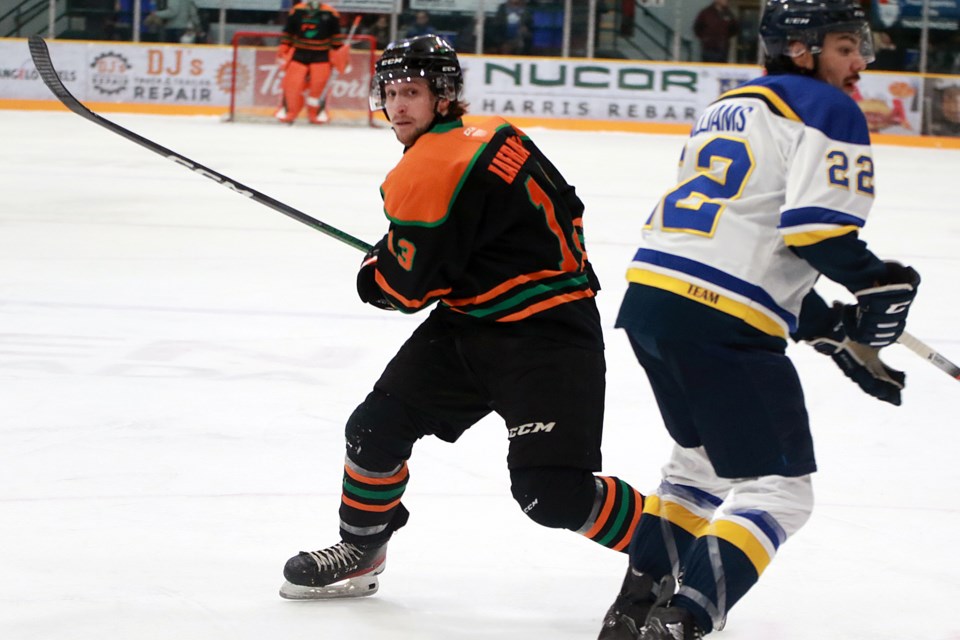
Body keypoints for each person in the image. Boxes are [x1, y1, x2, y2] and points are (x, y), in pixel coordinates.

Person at [279, 35, 645, 601]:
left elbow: (403, 291)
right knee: (375, 429)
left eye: (413, 93)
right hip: (472, 322)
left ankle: (676, 546)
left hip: (545, 336)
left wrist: (374, 272)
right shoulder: (493, 133)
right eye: (392, 93)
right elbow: (502, 221)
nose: (399, 106)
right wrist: (407, 249)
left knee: (550, 492)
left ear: (443, 96)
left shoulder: (427, 167)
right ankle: (361, 550)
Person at [597, 1, 921, 639]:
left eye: (860, 47)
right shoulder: (828, 107)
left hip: (652, 302)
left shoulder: (733, 104)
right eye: (845, 47)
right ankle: (682, 621)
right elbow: (816, 231)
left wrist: (831, 330)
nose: (860, 62)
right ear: (802, 49)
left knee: (697, 468)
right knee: (779, 492)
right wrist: (879, 285)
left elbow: (745, 237)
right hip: (720, 318)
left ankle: (633, 612)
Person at [274, 1, 347, 125]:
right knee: (292, 85)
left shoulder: (330, 13)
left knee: (319, 86)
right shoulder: (297, 10)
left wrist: (340, 55)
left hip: (321, 55)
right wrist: (284, 49)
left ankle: (316, 113)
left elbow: (336, 39)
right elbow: (288, 33)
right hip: (299, 54)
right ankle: (289, 111)